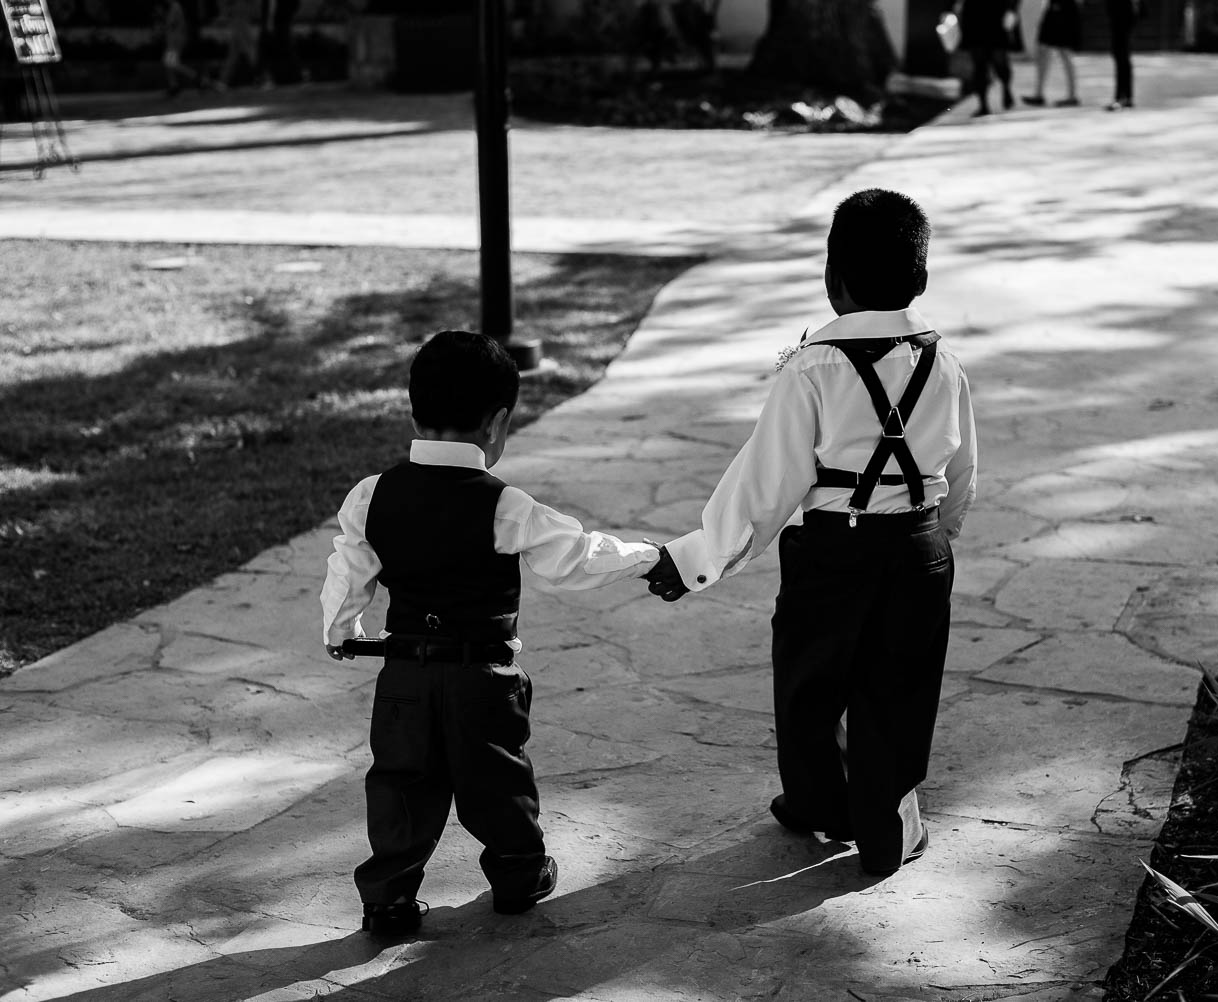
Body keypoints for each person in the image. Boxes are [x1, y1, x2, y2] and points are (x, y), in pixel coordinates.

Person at [647, 190, 978, 878]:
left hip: (833, 554)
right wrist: (932, 536)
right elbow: (961, 470)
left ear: (834, 280)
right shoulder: (943, 365)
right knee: (899, 692)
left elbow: (765, 486)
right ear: (919, 279)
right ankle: (888, 822)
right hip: (919, 552)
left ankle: (821, 801)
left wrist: (697, 559)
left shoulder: (813, 369)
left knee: (808, 687)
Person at [321, 330, 663, 937]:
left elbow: (350, 572)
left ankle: (389, 900)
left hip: (405, 674)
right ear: (497, 424)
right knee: (498, 779)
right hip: (484, 676)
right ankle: (517, 874)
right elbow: (578, 557)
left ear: (414, 408)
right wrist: (650, 557)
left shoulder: (372, 495)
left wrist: (341, 630)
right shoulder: (505, 505)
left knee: (400, 784)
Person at [957, 0, 1022, 115]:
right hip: (973, 16)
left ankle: (1006, 88)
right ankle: (983, 105)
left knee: (1000, 61)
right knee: (979, 64)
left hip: (997, 14)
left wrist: (1012, 9)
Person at [1022, 0, 1082, 107]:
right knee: (1043, 49)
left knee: (1064, 51)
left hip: (1065, 9)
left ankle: (1072, 95)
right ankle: (1039, 93)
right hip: (1053, 8)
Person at [1104, 0, 1141, 109]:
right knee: (1121, 54)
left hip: (1122, 10)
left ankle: (1121, 97)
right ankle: (1125, 97)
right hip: (1120, 10)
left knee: (1121, 54)